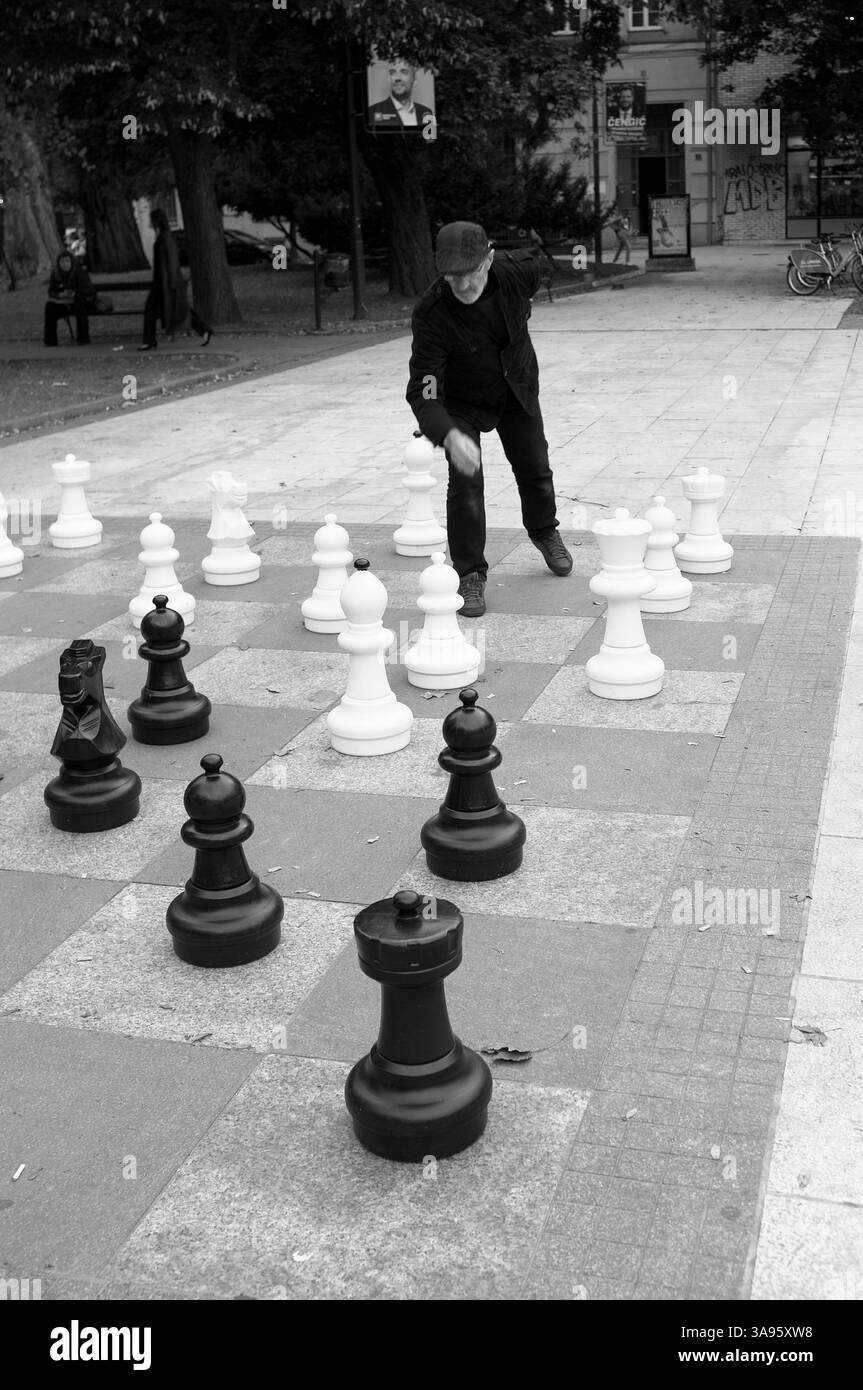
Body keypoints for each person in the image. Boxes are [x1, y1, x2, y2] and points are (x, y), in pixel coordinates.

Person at [406, 221, 572, 618]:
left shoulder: (519, 273)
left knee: (535, 466)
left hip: (515, 386)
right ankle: (470, 574)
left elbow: (540, 271)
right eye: (452, 277)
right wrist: (448, 435)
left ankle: (545, 531)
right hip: (462, 402)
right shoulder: (431, 314)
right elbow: (423, 391)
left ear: (490, 259)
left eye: (470, 274)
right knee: (465, 483)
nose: (462, 286)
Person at [139, 208, 212, 350]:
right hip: (162, 282)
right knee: (178, 310)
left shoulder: (165, 237)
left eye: (152, 219)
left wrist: (172, 283)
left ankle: (149, 340)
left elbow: (172, 261)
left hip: (165, 283)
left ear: (156, 220)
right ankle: (204, 330)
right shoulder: (163, 236)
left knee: (159, 310)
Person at [368, 59, 434, 134]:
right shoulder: (373, 111)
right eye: (392, 73)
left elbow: (431, 140)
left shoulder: (426, 112)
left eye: (404, 72)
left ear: (414, 81)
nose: (397, 78)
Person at [44, 251, 95, 346]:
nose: (64, 264)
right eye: (62, 262)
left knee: (79, 304)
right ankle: (50, 341)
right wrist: (60, 295)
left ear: (71, 262)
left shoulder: (79, 272)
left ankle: (83, 338)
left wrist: (75, 294)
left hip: (81, 302)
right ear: (59, 263)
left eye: (67, 261)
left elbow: (89, 290)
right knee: (50, 307)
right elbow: (51, 292)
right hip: (63, 303)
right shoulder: (55, 274)